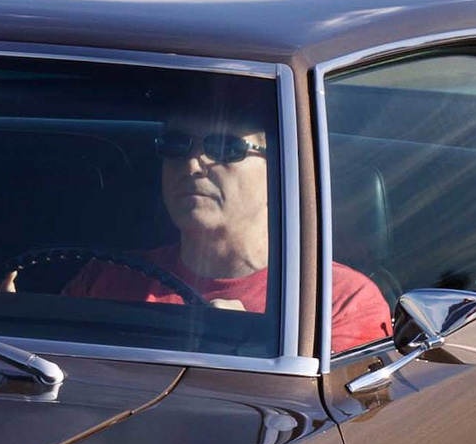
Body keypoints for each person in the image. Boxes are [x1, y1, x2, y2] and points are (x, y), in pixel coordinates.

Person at [57, 107, 393, 352]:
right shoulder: (104, 279)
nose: (192, 164)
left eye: (224, 148)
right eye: (175, 145)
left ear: (279, 169)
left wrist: (253, 344)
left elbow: (318, 426)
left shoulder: (338, 302)